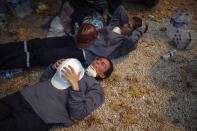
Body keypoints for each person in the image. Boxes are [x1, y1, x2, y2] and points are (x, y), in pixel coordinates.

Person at [0, 5, 147, 70]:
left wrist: (140, 29)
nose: (125, 25)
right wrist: (131, 22)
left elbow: (133, 40)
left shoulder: (124, 44)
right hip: (78, 39)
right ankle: (4, 50)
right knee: (38, 43)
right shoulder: (116, 26)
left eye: (128, 26)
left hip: (82, 53)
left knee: (41, 55)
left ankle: (4, 62)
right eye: (127, 23)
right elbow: (120, 9)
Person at [0, 57, 113, 131]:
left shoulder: (96, 91)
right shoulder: (75, 66)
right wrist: (53, 68)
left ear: (102, 75)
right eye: (97, 60)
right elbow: (44, 80)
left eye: (102, 64)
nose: (97, 62)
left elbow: (78, 114)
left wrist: (75, 86)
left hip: (39, 116)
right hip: (25, 96)